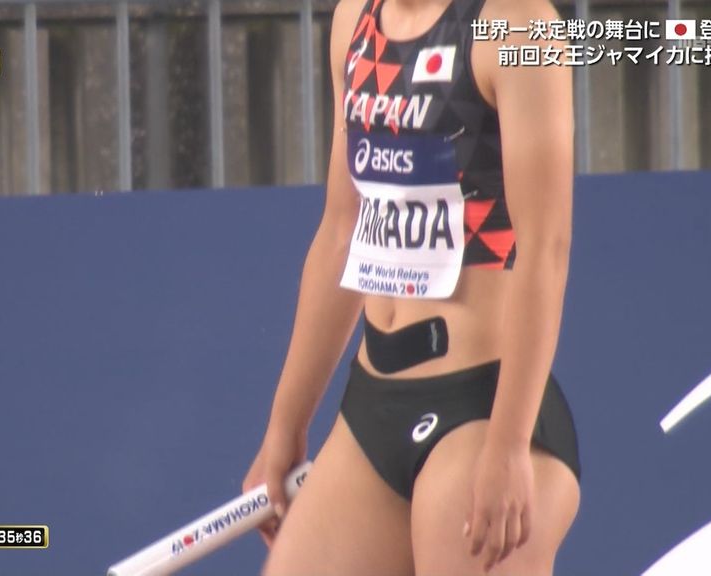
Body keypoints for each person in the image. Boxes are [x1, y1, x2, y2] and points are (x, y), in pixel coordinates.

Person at [242, 0, 581, 574]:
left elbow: (545, 249)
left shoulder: (518, 23)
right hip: (373, 409)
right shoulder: (354, 19)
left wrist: (507, 445)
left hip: (478, 411)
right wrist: (285, 425)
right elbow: (341, 231)